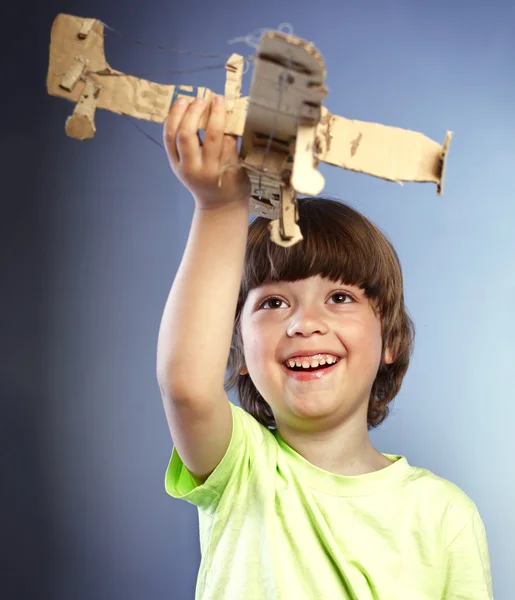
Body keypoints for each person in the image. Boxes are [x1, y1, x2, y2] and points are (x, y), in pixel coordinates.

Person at [157, 95, 493, 600]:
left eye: (339, 297)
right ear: (239, 353)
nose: (305, 323)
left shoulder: (444, 515)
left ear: (391, 341)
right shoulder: (240, 467)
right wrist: (221, 206)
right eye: (272, 303)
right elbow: (186, 387)